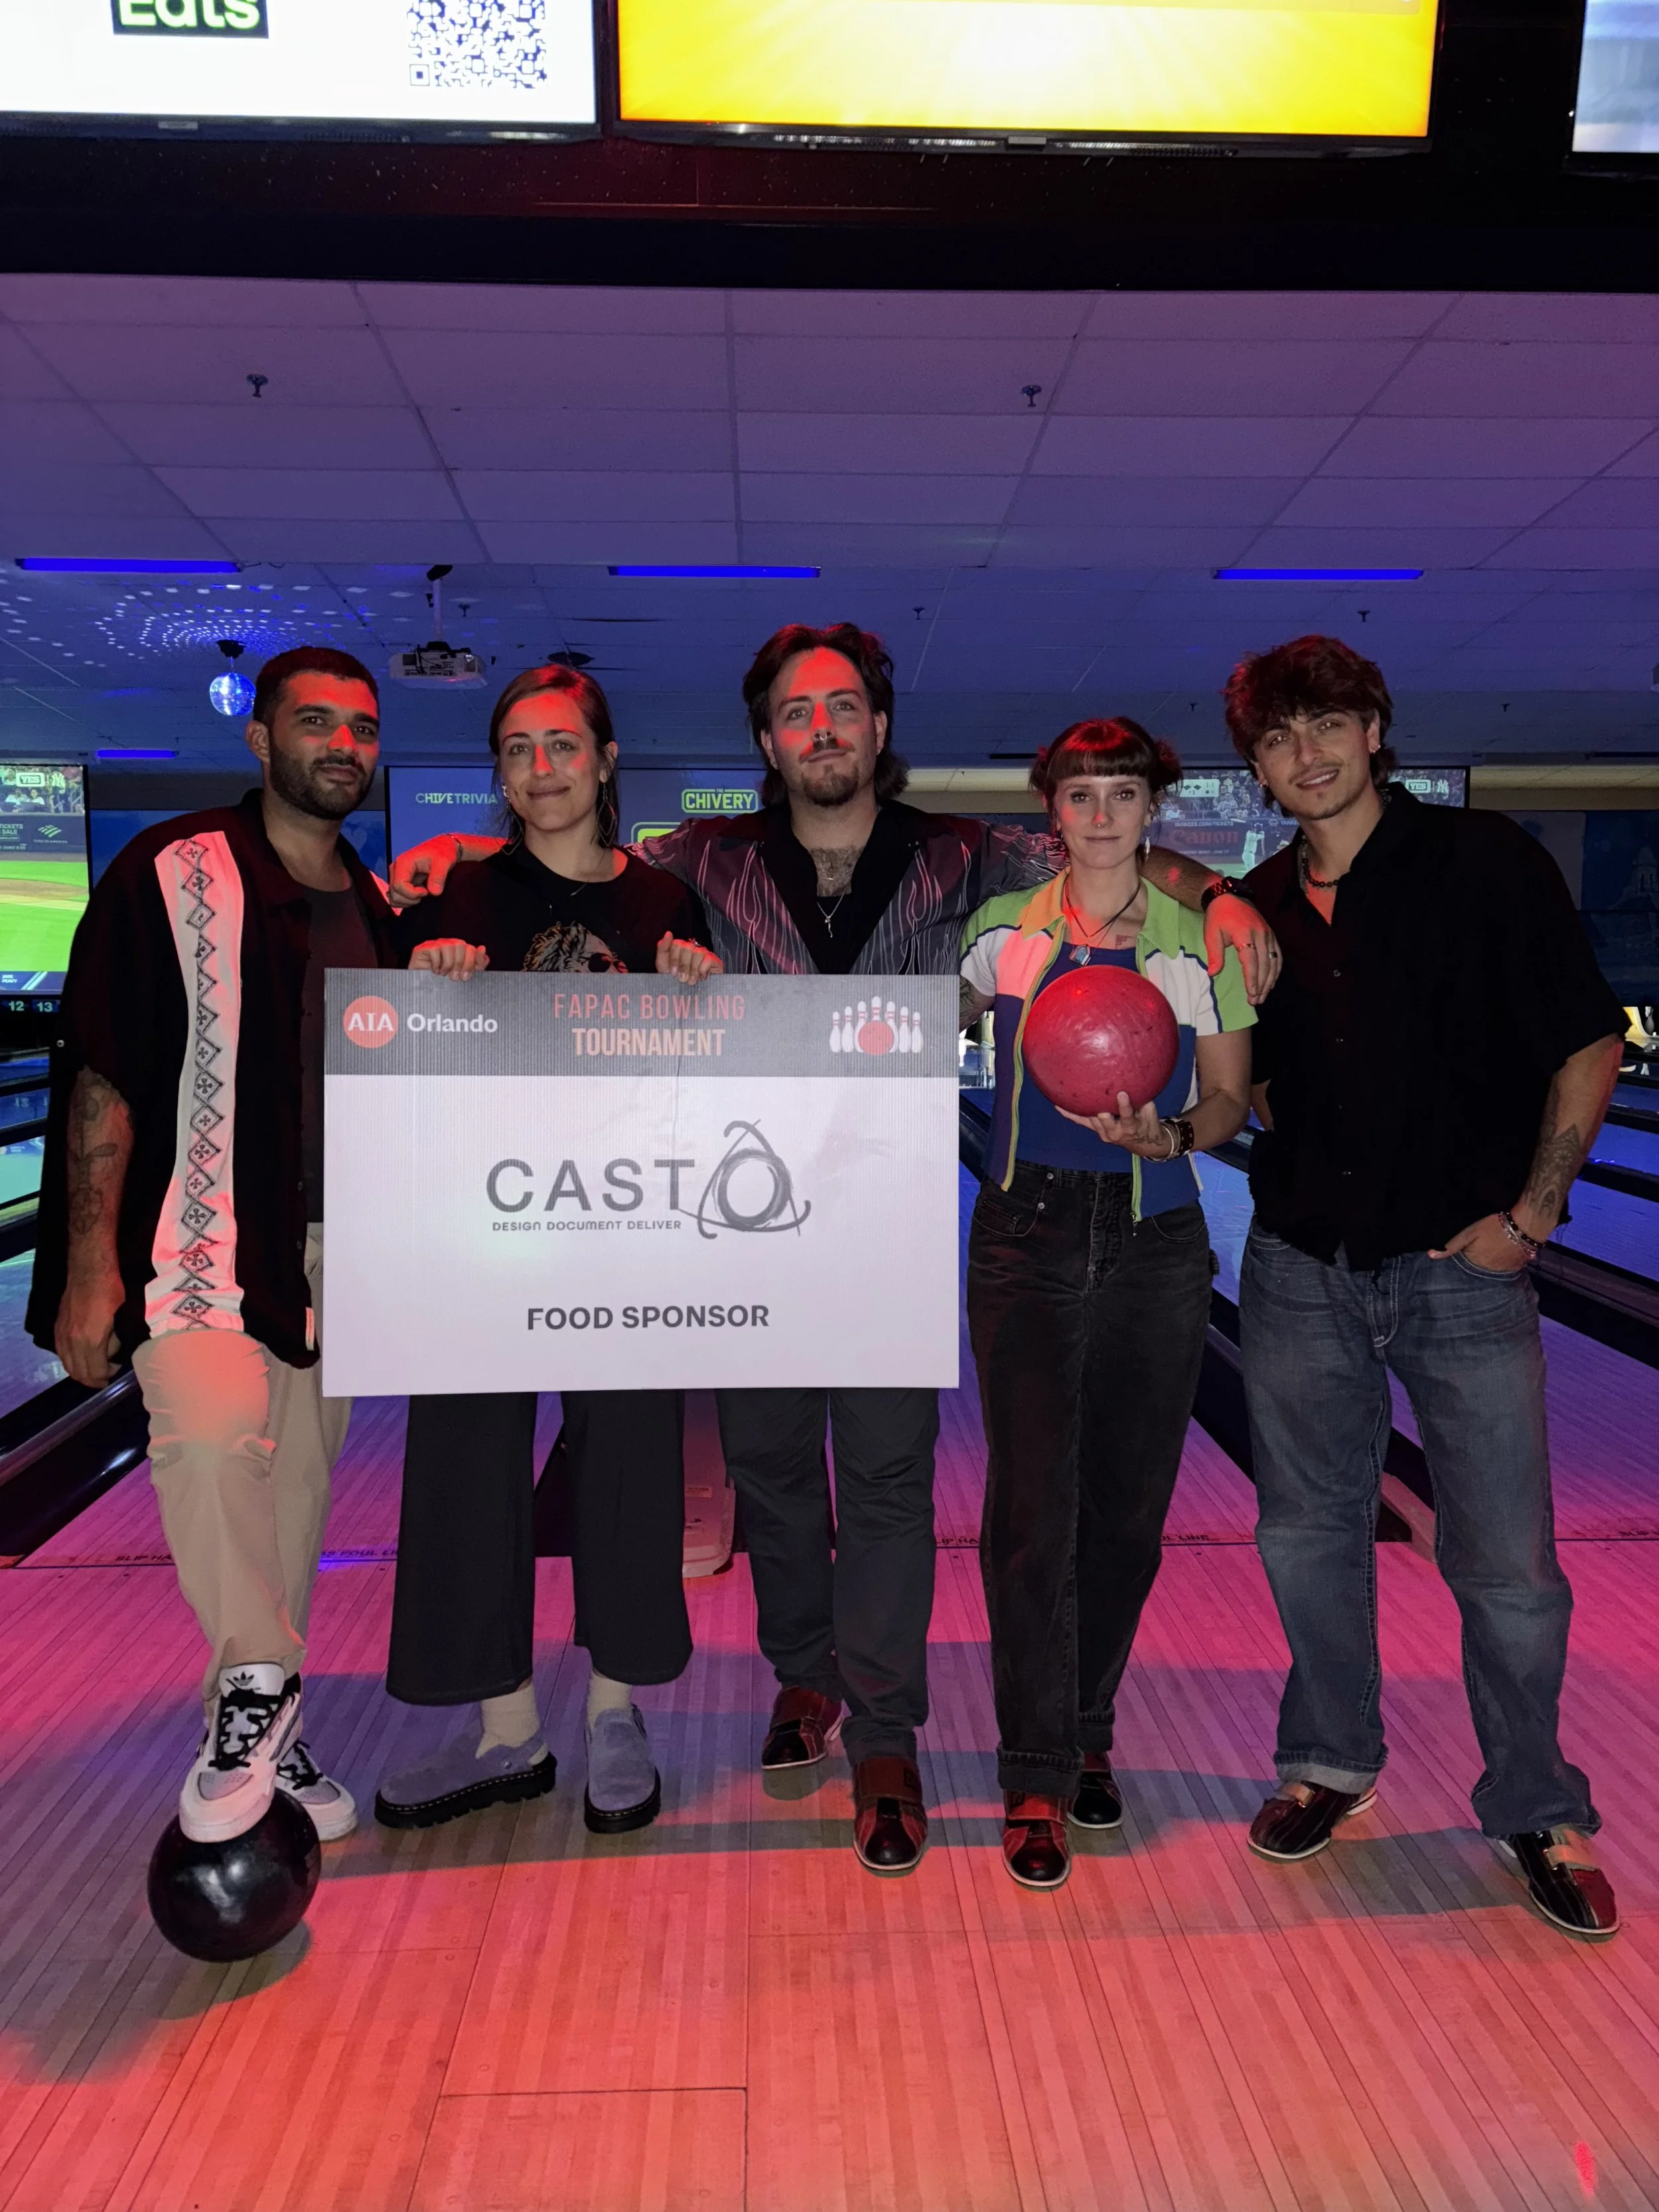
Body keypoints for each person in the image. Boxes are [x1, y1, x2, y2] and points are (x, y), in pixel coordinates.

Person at [390, 622, 1279, 1874]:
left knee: (886, 1481)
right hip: (738, 1219)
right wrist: (435, 879)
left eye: (846, 709)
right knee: (770, 1474)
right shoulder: (698, 859)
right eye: (800, 714)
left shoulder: (968, 857)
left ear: (877, 727)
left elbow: (1110, 844)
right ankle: (801, 1674)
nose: (824, 732)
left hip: (884, 1215)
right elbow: (570, 873)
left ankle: (885, 1731)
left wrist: (1226, 887)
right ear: (767, 739)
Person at [1226, 633, 1626, 1941]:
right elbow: (1259, 1089)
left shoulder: (1482, 864)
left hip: (1461, 1274)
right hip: (1299, 1270)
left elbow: (1580, 1040)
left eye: (1326, 724)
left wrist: (1536, 1212)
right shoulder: (1258, 907)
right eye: (1279, 738)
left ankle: (1533, 1797)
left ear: (1375, 725)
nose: (1307, 753)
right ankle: (1330, 1759)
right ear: (1257, 764)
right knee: (1303, 1534)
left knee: (1506, 1562)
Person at [27, 647, 399, 1844]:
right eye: (315, 723)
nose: (341, 744)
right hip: (193, 1243)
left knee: (291, 1495)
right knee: (204, 1437)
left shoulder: (375, 905)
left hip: (334, 1254)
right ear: (262, 739)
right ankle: (251, 1687)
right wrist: (90, 1272)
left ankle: (268, 1726)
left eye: (360, 727)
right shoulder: (172, 871)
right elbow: (103, 1072)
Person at [374, 664, 723, 1836]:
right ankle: (508, 1731)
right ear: (501, 773)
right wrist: (428, 977)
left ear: (607, 760)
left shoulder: (669, 904)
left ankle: (616, 1712)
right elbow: (401, 1058)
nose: (543, 769)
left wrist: (700, 996)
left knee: (627, 1462)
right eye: (519, 750)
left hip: (626, 1220)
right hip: (486, 1226)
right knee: (467, 1462)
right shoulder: (461, 894)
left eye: (564, 746)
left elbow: (705, 1082)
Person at [960, 720, 1254, 1888]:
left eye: (1121, 795)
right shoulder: (1001, 936)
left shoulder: (1199, 944)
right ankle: (1033, 1763)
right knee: (1034, 1505)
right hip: (1024, 1234)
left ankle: (1088, 1729)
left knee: (1128, 1510)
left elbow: (1231, 1097)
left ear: (1152, 811)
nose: (1099, 815)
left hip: (1158, 1239)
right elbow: (919, 1037)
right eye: (1079, 795)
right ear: (1052, 812)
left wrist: (1173, 1130)